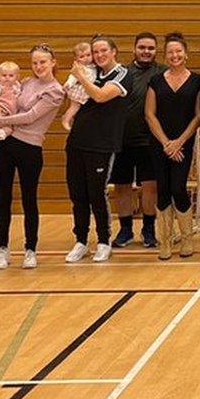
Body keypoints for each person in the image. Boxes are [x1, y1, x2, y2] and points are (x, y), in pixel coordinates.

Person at [0, 45, 64, 269]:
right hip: (6, 144)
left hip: (30, 148)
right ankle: (2, 248)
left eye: (43, 62)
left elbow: (31, 116)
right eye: (34, 63)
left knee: (28, 199)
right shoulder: (26, 83)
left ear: (53, 62)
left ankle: (30, 249)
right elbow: (9, 103)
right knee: (3, 197)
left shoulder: (56, 90)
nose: (39, 66)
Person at [64, 35, 133, 263]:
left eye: (104, 50)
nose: (99, 55)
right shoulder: (90, 72)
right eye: (95, 52)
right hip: (77, 142)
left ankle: (104, 240)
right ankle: (81, 241)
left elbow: (101, 96)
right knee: (78, 194)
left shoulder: (122, 74)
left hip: (102, 145)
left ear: (114, 51)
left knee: (97, 193)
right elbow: (73, 95)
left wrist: (81, 77)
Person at [145, 33, 200, 260]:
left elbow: (198, 115)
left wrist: (179, 142)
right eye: (170, 52)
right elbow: (150, 114)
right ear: (165, 55)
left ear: (185, 53)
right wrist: (166, 143)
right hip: (159, 143)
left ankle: (187, 238)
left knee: (178, 188)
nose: (174, 55)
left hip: (184, 144)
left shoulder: (197, 80)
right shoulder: (156, 81)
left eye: (178, 51)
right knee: (163, 190)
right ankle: (165, 241)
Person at [111, 32, 166, 248]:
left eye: (150, 48)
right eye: (142, 47)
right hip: (122, 139)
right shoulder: (122, 73)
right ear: (134, 49)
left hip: (150, 140)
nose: (146, 51)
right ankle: (125, 230)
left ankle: (149, 229)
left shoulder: (162, 73)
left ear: (156, 51)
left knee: (150, 186)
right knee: (122, 185)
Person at [61, 42, 94, 131]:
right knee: (75, 107)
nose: (86, 58)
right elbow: (73, 76)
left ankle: (70, 118)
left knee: (78, 109)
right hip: (79, 91)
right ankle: (65, 119)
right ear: (76, 58)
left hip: (87, 91)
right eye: (81, 57)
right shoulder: (80, 67)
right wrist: (68, 84)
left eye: (88, 55)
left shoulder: (93, 66)